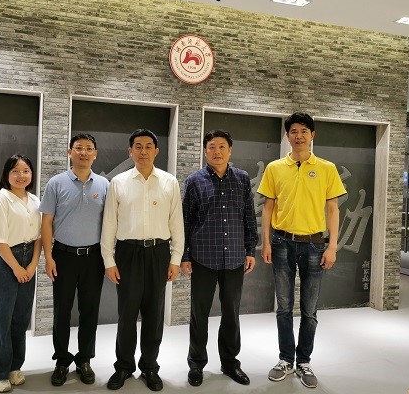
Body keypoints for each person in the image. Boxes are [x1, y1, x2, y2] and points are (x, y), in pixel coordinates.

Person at [257, 112, 346, 389]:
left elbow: (333, 209)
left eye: (304, 131)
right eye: (294, 131)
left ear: (312, 135)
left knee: (309, 309)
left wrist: (332, 246)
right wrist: (266, 242)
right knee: (283, 307)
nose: (299, 136)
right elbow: (268, 208)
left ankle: (304, 361)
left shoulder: (326, 168)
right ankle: (285, 359)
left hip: (315, 244)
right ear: (287, 136)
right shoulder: (275, 168)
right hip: (282, 242)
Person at [100, 129, 184, 392]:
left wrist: (175, 258)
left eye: (148, 146)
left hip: (159, 253)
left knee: (154, 314)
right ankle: (124, 366)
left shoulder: (169, 182)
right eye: (138, 146)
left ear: (156, 151)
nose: (143, 151)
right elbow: (109, 223)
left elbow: (177, 222)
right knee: (127, 314)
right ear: (130, 151)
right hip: (128, 253)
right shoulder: (118, 183)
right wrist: (109, 260)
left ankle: (149, 367)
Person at [180, 130, 258, 387]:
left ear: (230, 150)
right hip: (203, 257)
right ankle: (196, 364)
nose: (217, 151)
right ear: (205, 151)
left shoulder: (242, 179)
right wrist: (185, 255)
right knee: (199, 313)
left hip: (234, 257)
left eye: (222, 146)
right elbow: (186, 221)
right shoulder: (194, 181)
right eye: (212, 147)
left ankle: (230, 362)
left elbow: (248, 216)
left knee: (231, 313)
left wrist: (250, 250)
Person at [39, 133, 109, 387]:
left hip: (94, 258)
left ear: (95, 154)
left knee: (90, 311)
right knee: (62, 311)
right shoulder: (56, 183)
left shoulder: (104, 184)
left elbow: (110, 223)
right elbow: (46, 221)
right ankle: (61, 360)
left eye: (89, 148)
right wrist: (48, 257)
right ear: (70, 152)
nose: (83, 153)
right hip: (63, 256)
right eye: (78, 148)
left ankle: (84, 360)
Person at [0, 154, 42, 393]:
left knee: (20, 318)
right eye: (15, 171)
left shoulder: (35, 200)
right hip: (6, 260)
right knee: (1, 319)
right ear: (7, 174)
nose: (21, 176)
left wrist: (32, 266)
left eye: (26, 171)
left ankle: (14, 367)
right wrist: (17, 268)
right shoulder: (1, 200)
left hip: (29, 259)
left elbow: (39, 237)